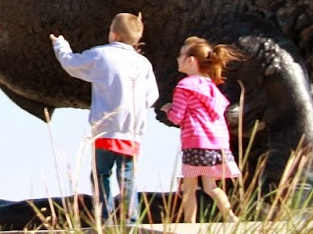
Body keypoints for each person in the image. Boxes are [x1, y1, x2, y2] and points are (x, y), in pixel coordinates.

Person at [51, 13, 159, 223]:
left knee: (101, 174)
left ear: (114, 34)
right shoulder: (143, 63)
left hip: (105, 129)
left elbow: (71, 63)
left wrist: (60, 44)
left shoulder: (101, 55)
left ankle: (104, 219)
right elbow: (151, 96)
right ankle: (131, 221)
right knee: (128, 177)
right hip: (132, 132)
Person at [162, 36, 242, 223]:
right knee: (211, 186)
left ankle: (189, 224)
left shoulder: (184, 86)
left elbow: (177, 117)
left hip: (195, 142)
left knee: (189, 187)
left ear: (190, 60)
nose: (178, 59)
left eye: (181, 55)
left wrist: (168, 110)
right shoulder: (211, 88)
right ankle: (230, 217)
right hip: (217, 144)